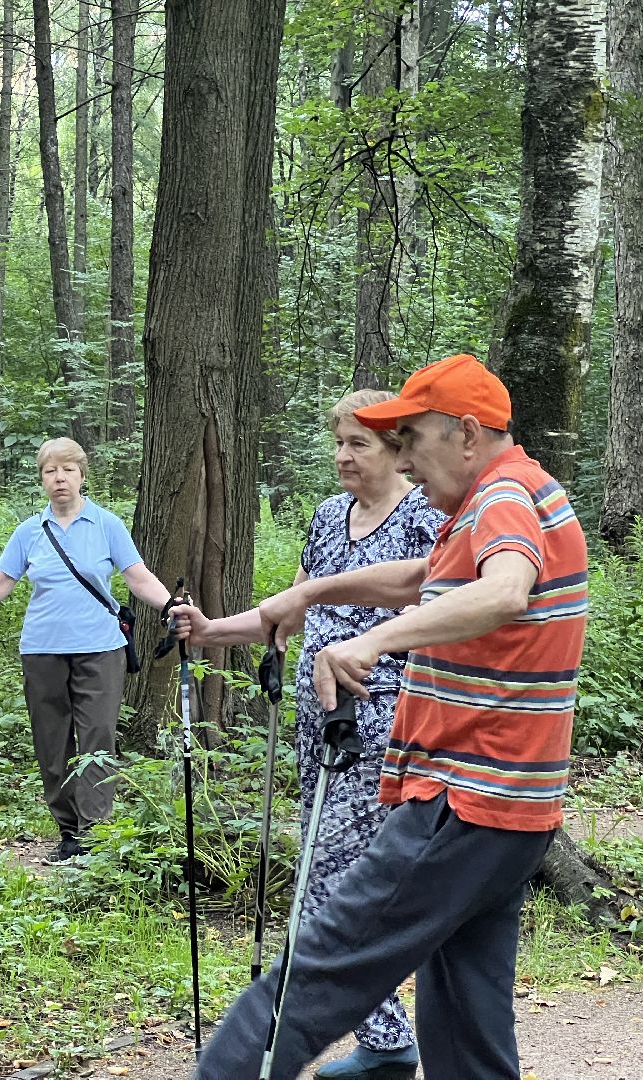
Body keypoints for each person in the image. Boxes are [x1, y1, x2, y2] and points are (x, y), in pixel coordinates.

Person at [184, 354, 588, 1080]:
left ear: (465, 434)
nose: (403, 458)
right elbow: (422, 579)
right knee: (467, 1016)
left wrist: (370, 638)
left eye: (411, 440)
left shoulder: (502, 499)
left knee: (323, 965)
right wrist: (311, 596)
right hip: (507, 813)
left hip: (462, 800)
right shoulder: (502, 495)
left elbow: (504, 591)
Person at [174, 391, 443, 1079]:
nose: (342, 455)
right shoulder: (328, 518)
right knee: (331, 878)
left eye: (358, 442)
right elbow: (286, 612)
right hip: (316, 726)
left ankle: (378, 1042)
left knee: (332, 881)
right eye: (338, 442)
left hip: (381, 722)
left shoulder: (423, 516)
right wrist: (210, 631)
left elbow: (431, 602)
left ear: (395, 449)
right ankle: (384, 1039)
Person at [0, 437, 173, 865]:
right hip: (42, 650)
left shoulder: (106, 525)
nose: (59, 478)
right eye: (49, 471)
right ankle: (68, 832)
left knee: (98, 737)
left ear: (82, 475)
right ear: (41, 478)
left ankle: (95, 834)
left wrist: (171, 604)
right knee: (51, 740)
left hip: (101, 648)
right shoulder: (29, 531)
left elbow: (138, 578)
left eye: (67, 470)